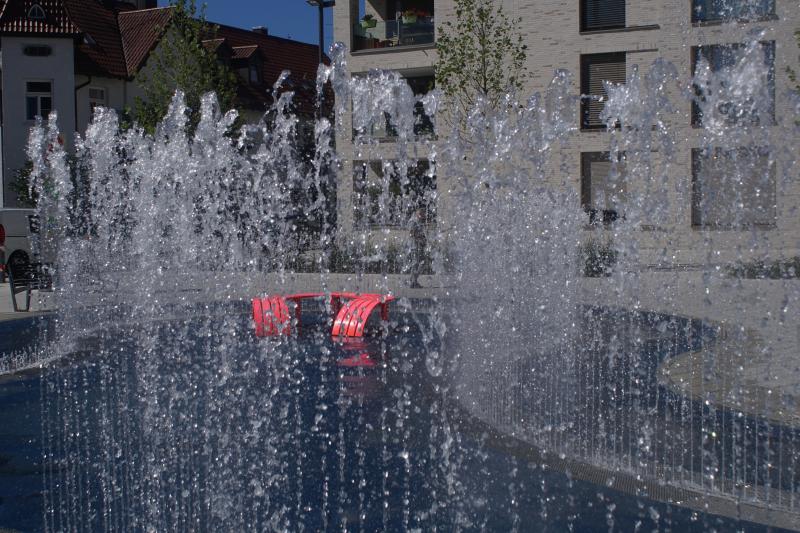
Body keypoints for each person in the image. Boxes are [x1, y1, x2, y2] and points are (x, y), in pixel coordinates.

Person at [409, 207, 427, 288]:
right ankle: (413, 281)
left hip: (420, 246)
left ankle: (413, 280)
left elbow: (422, 233)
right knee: (415, 263)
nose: (422, 216)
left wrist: (424, 239)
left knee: (422, 263)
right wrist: (419, 238)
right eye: (420, 214)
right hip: (414, 246)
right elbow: (411, 234)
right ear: (416, 214)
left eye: (423, 214)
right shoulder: (413, 222)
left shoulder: (420, 222)